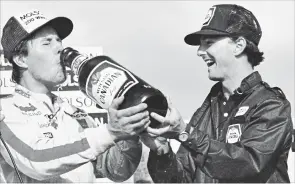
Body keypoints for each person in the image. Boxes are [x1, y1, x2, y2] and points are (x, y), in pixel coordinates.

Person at [141, 4, 293, 183]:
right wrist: (162, 151)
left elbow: (247, 165)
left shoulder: (271, 105)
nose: (199, 51)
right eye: (200, 45)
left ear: (238, 46)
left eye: (209, 43)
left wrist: (185, 133)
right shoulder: (205, 112)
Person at [0, 10, 151, 183]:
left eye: (58, 41)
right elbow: (35, 158)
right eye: (47, 43)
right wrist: (110, 132)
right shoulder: (5, 111)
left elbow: (115, 171)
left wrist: (129, 133)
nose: (59, 48)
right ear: (21, 59)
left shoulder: (74, 112)